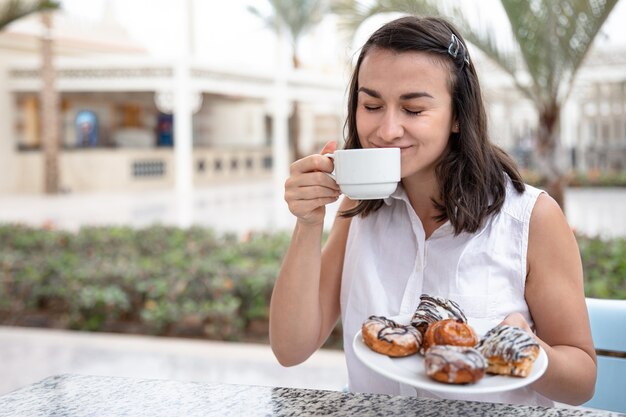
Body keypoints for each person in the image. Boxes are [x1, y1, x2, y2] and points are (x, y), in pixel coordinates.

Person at [269, 15, 596, 407]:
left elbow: (582, 382)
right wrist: (308, 222)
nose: (387, 130)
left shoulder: (531, 218)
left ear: (458, 116)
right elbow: (291, 349)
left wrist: (527, 350)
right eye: (371, 104)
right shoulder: (359, 208)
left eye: (413, 110)